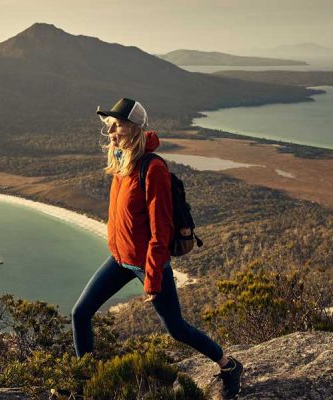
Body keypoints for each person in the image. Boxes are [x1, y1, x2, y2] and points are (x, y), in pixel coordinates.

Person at [71, 97, 244, 399]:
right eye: (110, 125)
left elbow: (160, 231)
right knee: (80, 313)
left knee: (176, 329)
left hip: (148, 263)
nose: (111, 132)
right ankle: (85, 384)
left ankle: (228, 365)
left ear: (134, 128)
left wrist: (152, 277)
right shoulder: (121, 159)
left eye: (117, 125)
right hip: (121, 259)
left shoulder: (153, 169)